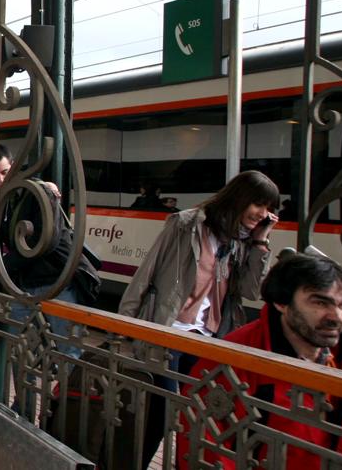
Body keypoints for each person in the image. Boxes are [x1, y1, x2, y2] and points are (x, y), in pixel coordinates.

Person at [118, 169, 278, 469]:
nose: (263, 213)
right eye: (259, 204)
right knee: (159, 412)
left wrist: (260, 243)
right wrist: (126, 324)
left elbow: (251, 291)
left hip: (207, 337)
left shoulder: (242, 241)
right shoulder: (186, 224)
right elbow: (147, 272)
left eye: (269, 208)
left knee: (202, 415)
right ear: (239, 198)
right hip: (168, 331)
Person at [177, 253, 342, 469]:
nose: (336, 317)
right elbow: (202, 444)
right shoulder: (233, 359)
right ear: (282, 303)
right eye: (320, 302)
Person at [0, 145, 79, 358]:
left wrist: (3, 266)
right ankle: (26, 392)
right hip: (25, 286)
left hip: (57, 283)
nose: (1, 180)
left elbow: (44, 242)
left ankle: (62, 392)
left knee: (68, 351)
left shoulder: (39, 191)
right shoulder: (1, 200)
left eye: (4, 172)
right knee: (22, 351)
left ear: (16, 167)